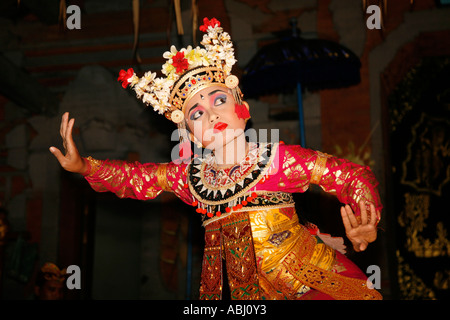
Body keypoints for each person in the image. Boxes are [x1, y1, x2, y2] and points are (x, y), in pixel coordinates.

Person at [49, 17, 382, 300]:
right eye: (196, 112)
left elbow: (353, 175)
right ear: (190, 133)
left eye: (219, 99)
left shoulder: (277, 160)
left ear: (243, 108)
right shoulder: (190, 178)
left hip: (311, 284)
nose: (211, 114)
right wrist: (84, 166)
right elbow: (137, 179)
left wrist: (367, 218)